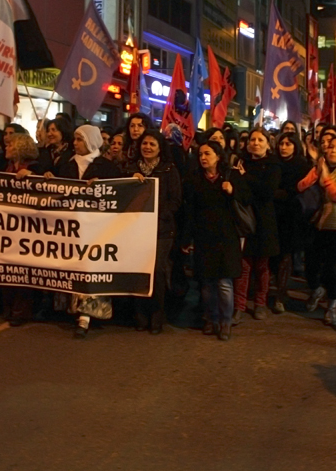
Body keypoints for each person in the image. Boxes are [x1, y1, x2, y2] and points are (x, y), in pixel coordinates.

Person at [50, 125, 121, 337]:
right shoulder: (66, 165)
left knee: (91, 269)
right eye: (75, 139)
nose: (75, 143)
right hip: (72, 228)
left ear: (90, 142)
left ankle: (85, 317)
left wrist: (103, 188)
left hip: (97, 229)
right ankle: (71, 310)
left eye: (79, 140)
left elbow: (117, 194)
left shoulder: (107, 168)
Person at [181, 141, 250, 341]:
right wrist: (187, 238)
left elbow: (247, 198)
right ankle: (210, 318)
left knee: (224, 283)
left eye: (208, 153)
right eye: (200, 154)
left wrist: (232, 191)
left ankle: (225, 321)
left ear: (219, 156)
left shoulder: (232, 175)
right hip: (204, 237)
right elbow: (190, 211)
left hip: (227, 237)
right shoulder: (194, 179)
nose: (203, 157)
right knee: (207, 283)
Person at [124, 130, 182, 334]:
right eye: (144, 143)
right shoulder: (130, 169)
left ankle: (157, 317)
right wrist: (130, 181)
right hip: (136, 230)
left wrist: (157, 214)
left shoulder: (168, 170)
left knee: (157, 271)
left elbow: (175, 201)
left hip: (161, 230)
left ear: (160, 148)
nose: (147, 147)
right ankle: (140, 315)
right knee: (139, 271)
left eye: (152, 144)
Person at [298, 135, 336, 324]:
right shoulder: (318, 167)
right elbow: (301, 185)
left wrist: (325, 176)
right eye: (330, 147)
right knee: (311, 263)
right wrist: (317, 170)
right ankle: (316, 289)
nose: (332, 151)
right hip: (315, 222)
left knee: (333, 268)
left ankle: (332, 306)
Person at [231, 128, 281, 323]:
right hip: (244, 219)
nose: (256, 143)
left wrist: (246, 178)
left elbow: (267, 191)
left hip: (264, 221)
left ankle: (260, 303)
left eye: (261, 140)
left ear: (268, 144)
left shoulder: (273, 165)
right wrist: (243, 179)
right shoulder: (241, 163)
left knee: (261, 266)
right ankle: (239, 306)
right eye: (253, 139)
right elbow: (239, 189)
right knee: (243, 266)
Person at [0, 134, 42, 326]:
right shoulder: (8, 168)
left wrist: (32, 178)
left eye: (10, 144)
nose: (6, 147)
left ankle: (22, 310)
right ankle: (9, 307)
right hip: (9, 227)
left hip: (28, 229)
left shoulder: (35, 168)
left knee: (23, 270)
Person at [271, 131, 312, 313]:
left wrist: (282, 193)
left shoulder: (301, 165)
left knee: (285, 256)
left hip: (291, 216)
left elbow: (299, 190)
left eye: (288, 144)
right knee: (273, 256)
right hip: (273, 215)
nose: (284, 147)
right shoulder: (273, 163)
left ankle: (281, 293)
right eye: (282, 144)